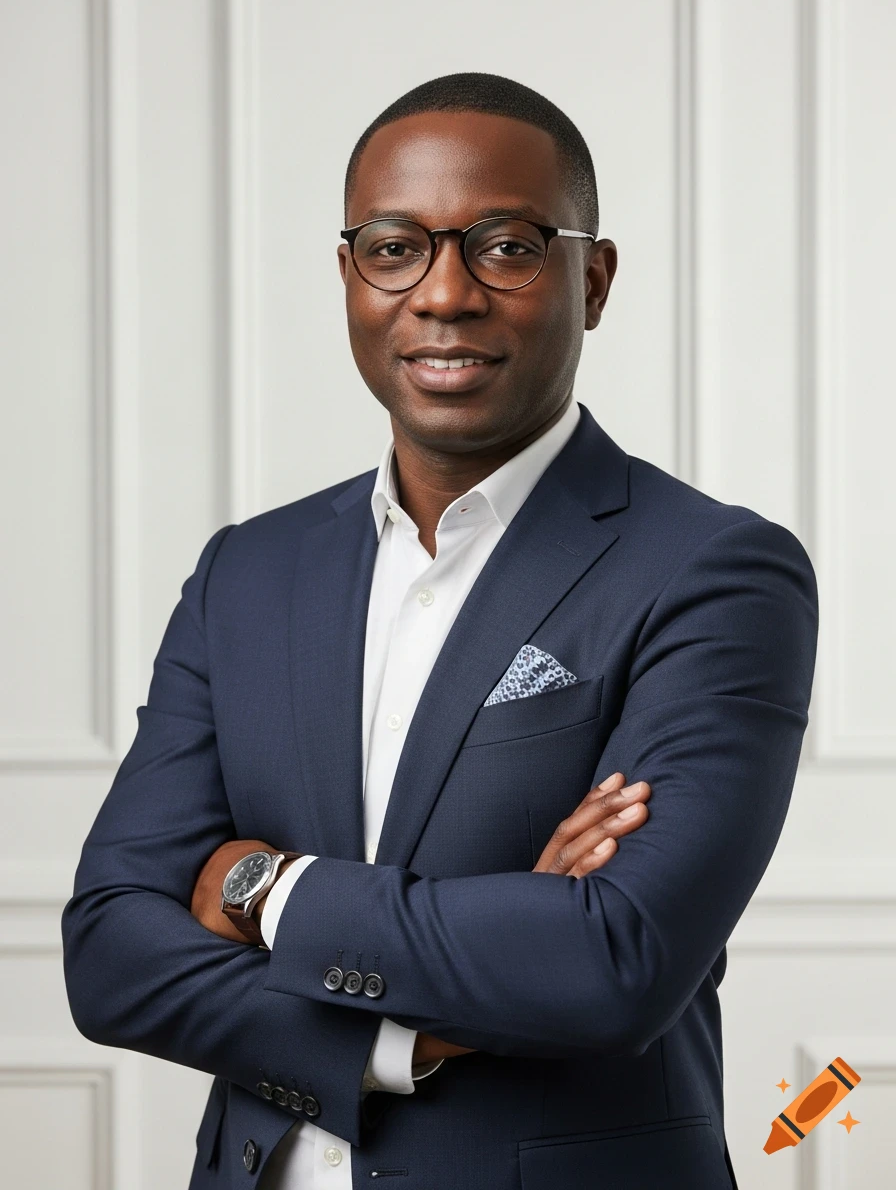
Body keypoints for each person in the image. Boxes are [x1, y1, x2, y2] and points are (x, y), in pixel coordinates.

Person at [62, 71, 817, 1189]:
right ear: (350, 276)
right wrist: (397, 1042)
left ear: (591, 279)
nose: (443, 293)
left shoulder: (711, 569)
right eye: (393, 246)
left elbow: (615, 958)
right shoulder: (248, 571)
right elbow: (111, 951)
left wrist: (260, 890)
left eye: (506, 246)